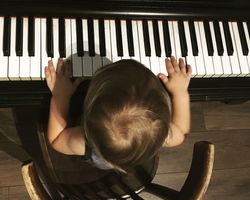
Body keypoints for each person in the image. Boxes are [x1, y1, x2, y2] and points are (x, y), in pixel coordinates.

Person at [44, 57, 192, 172]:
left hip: (102, 159)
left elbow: (57, 139)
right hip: (128, 158)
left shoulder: (82, 140)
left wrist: (60, 96)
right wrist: (180, 92)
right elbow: (181, 131)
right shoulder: (161, 134)